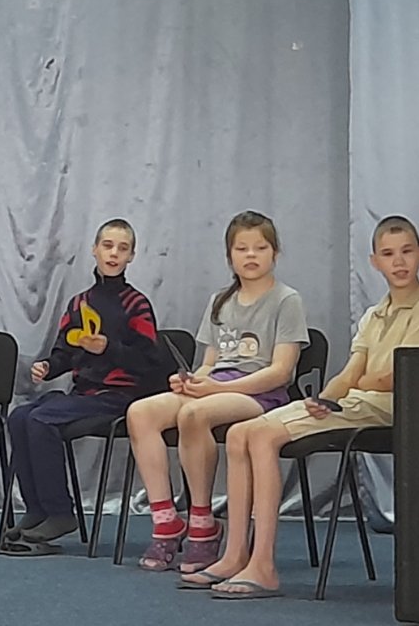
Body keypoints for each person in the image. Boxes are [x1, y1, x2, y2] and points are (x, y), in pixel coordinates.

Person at [190, 216, 419, 598]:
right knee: (240, 433)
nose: (399, 262)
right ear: (375, 261)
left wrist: (355, 387)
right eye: (388, 254)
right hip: (354, 402)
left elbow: (395, 376)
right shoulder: (374, 314)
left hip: (391, 408)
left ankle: (264, 566)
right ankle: (234, 554)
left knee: (262, 436)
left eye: (407, 252)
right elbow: (352, 373)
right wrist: (324, 399)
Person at [126, 210, 308, 573]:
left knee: (194, 413)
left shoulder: (287, 300)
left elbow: (281, 372)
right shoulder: (220, 301)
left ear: (275, 253)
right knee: (140, 413)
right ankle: (166, 520)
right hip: (216, 385)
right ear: (229, 256)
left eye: (260, 247)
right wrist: (192, 381)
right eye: (242, 248)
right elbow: (210, 362)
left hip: (258, 394)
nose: (251, 255)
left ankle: (202, 522)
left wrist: (216, 389)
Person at [0, 219, 169, 556]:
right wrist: (49, 367)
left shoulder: (136, 304)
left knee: (42, 419)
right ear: (95, 250)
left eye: (122, 248)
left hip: (119, 396)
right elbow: (66, 352)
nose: (114, 253)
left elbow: (151, 361)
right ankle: (37, 509)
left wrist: (109, 348)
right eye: (108, 246)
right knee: (19, 417)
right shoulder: (79, 303)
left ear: (131, 256)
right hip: (84, 395)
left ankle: (61, 513)